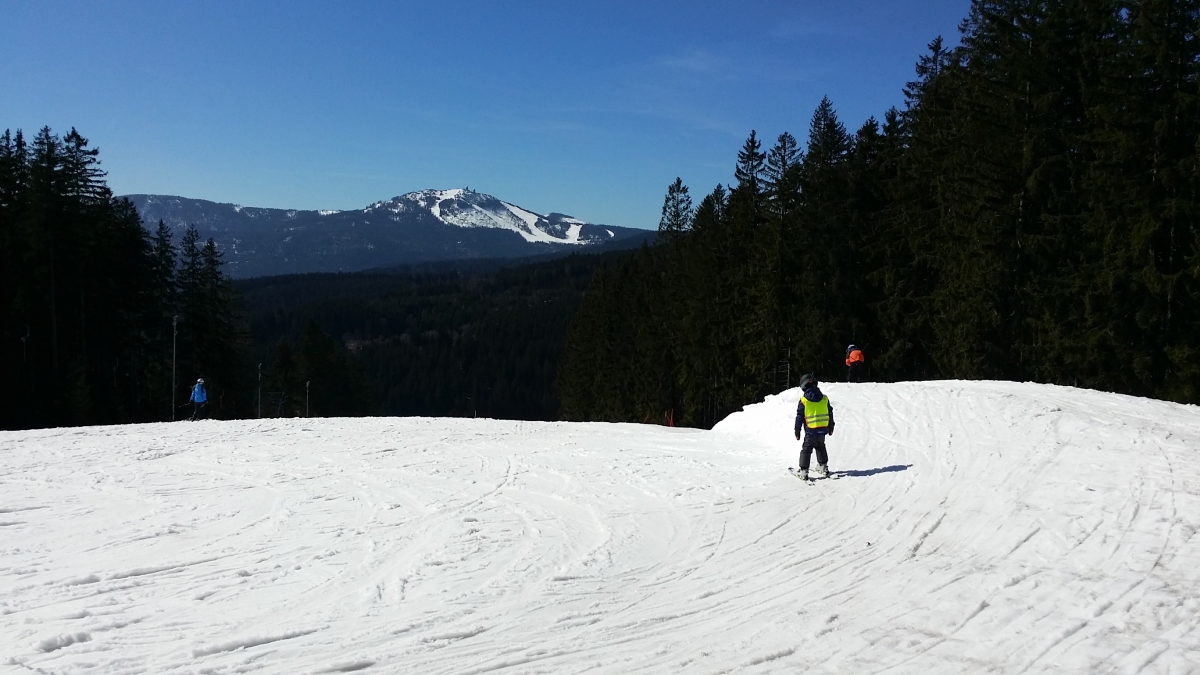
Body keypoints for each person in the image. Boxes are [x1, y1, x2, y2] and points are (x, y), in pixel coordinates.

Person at [794, 373, 834, 480]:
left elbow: (799, 416)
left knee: (806, 449)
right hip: (822, 429)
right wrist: (831, 426)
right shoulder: (824, 398)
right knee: (820, 446)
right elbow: (830, 413)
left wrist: (797, 430)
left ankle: (803, 471)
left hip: (810, 431)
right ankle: (823, 466)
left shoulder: (804, 400)